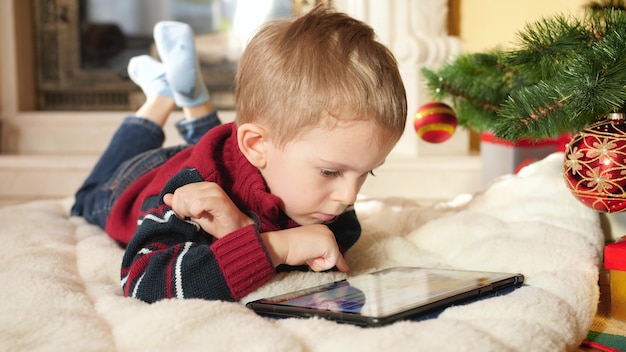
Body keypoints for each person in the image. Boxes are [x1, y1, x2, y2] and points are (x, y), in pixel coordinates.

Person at [71, 6, 407, 303]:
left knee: (223, 152)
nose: (349, 195)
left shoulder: (324, 203)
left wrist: (245, 231)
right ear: (257, 146)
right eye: (330, 173)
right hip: (138, 179)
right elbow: (143, 282)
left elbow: (331, 250)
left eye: (366, 172)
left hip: (223, 151)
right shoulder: (189, 194)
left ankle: (195, 102)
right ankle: (159, 97)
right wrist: (277, 248)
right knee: (86, 198)